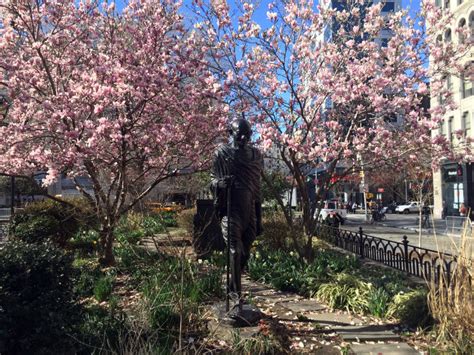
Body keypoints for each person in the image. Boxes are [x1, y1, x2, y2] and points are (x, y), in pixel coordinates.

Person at [211, 118, 263, 318]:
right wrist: (220, 184)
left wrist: (259, 218)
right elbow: (212, 179)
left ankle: (232, 284)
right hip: (230, 209)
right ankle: (235, 296)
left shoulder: (256, 155)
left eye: (246, 134)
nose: (243, 138)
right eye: (238, 134)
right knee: (235, 251)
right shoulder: (222, 154)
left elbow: (258, 189)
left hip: (248, 209)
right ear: (230, 133)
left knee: (245, 253)